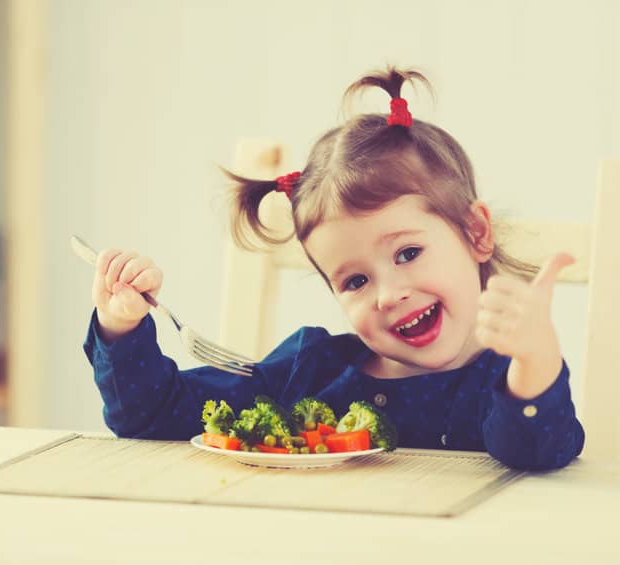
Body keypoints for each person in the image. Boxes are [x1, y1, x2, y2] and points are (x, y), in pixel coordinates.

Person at [83, 66, 584, 471]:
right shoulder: (309, 371)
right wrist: (122, 331)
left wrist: (536, 363)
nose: (388, 294)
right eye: (356, 281)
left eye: (408, 253)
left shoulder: (502, 380)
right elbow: (152, 416)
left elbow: (536, 452)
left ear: (476, 233)